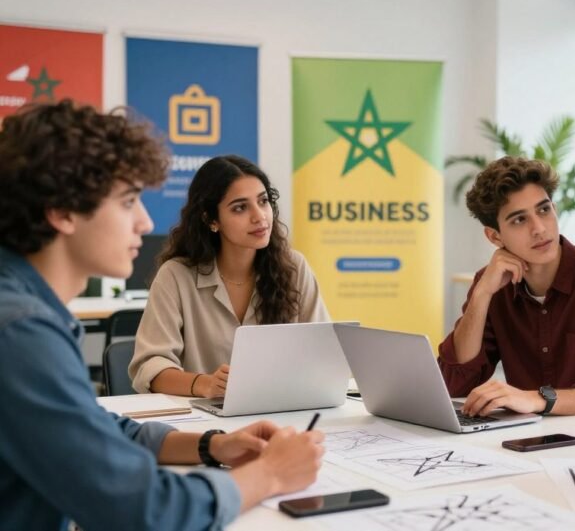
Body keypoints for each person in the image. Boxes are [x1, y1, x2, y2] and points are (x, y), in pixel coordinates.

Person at [0, 100, 325, 530]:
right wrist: (269, 474)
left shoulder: (23, 311)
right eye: (129, 200)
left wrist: (213, 445)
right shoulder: (20, 332)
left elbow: (98, 427)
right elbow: (145, 509)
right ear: (62, 212)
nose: (144, 220)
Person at [438, 156, 575, 422]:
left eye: (543, 210)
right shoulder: (493, 284)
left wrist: (537, 399)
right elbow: (454, 383)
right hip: (534, 440)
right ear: (495, 236)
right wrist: (481, 295)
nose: (539, 229)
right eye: (519, 220)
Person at [129, 155, 330, 396]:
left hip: (282, 413)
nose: (260, 216)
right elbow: (150, 368)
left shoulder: (294, 268)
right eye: (240, 207)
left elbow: (325, 354)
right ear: (211, 220)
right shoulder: (176, 276)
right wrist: (204, 384)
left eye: (263, 201)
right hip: (202, 423)